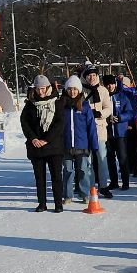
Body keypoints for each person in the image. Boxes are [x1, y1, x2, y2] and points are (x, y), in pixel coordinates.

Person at [20, 74, 68, 212]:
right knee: (39, 178)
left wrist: (46, 139)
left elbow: (59, 124)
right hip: (36, 147)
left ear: (48, 87)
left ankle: (58, 204)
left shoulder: (57, 102)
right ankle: (42, 203)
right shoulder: (30, 104)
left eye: (43, 88)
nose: (40, 92)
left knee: (56, 177)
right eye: (37, 89)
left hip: (54, 146)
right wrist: (33, 139)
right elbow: (25, 123)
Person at [58, 75, 99, 204]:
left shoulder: (85, 106)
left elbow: (91, 127)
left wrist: (94, 145)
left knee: (83, 170)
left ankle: (85, 193)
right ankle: (68, 195)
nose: (73, 92)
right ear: (66, 90)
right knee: (68, 171)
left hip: (82, 144)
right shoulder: (62, 106)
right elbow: (57, 126)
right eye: (70, 89)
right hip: (67, 144)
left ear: (79, 90)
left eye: (75, 89)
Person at [79, 67, 115, 199]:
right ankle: (90, 186)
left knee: (102, 158)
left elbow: (108, 107)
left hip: (99, 128)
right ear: (85, 77)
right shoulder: (81, 89)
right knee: (87, 160)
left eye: (94, 75)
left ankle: (104, 185)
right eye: (89, 76)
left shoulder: (103, 90)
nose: (92, 78)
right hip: (85, 129)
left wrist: (100, 114)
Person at [105, 73, 137, 190]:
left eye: (111, 84)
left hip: (120, 133)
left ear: (115, 84)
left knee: (123, 158)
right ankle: (114, 181)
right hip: (108, 134)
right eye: (107, 85)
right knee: (110, 159)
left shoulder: (122, 96)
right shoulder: (103, 97)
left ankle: (125, 182)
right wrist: (107, 119)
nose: (110, 87)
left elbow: (130, 112)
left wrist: (120, 118)